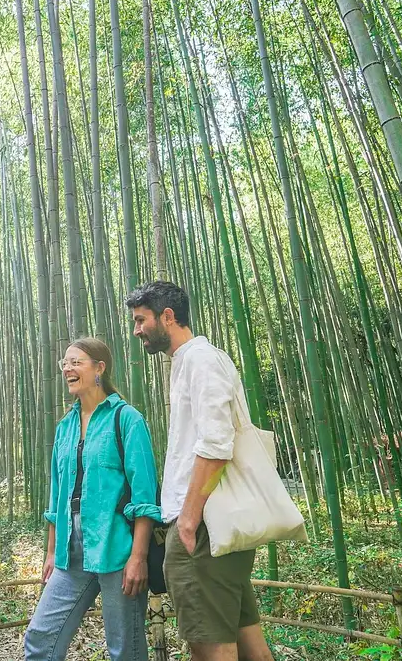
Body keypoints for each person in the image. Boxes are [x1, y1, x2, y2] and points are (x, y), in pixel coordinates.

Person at [126, 282, 273, 661]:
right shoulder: (191, 361)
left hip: (204, 525)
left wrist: (188, 520)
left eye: (141, 320)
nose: (137, 329)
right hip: (212, 526)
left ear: (168, 317)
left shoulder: (200, 360)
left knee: (209, 647)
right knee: (249, 645)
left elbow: (216, 444)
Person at [24, 338, 161, 661]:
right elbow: (58, 494)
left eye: (76, 362)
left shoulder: (127, 419)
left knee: (124, 649)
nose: (67, 369)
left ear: (100, 368)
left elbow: (144, 496)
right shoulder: (65, 427)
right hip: (71, 552)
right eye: (64, 364)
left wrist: (138, 557)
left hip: (118, 547)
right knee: (40, 640)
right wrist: (50, 550)